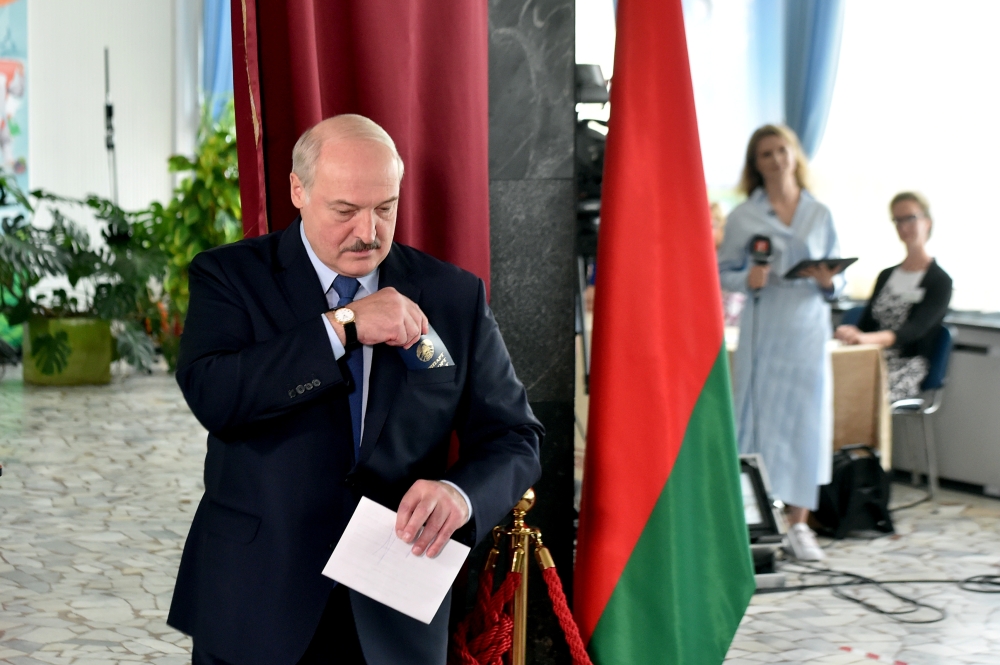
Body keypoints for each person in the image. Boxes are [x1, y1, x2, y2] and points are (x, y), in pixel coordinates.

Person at [167, 114, 543, 665]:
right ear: (299, 190)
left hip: (396, 603)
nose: (368, 232)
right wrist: (341, 327)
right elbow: (216, 397)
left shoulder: (453, 296)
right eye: (345, 211)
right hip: (258, 596)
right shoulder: (230, 278)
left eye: (385, 208)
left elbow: (516, 437)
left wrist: (458, 497)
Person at [717, 124, 844, 562]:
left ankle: (800, 522)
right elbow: (720, 270)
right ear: (756, 164)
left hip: (807, 325)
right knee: (756, 418)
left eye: (781, 150)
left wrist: (830, 280)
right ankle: (752, 516)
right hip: (765, 322)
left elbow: (839, 277)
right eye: (765, 153)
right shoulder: (743, 217)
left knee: (806, 421)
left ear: (795, 155)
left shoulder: (819, 213)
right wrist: (746, 278)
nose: (775, 159)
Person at [835, 192, 952, 402]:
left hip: (908, 363)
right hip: (872, 356)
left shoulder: (940, 280)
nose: (903, 226)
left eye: (910, 218)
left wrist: (867, 339)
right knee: (827, 382)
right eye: (897, 220)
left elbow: (914, 330)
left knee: (857, 395)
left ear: (927, 222)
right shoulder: (887, 275)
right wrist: (852, 333)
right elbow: (866, 324)